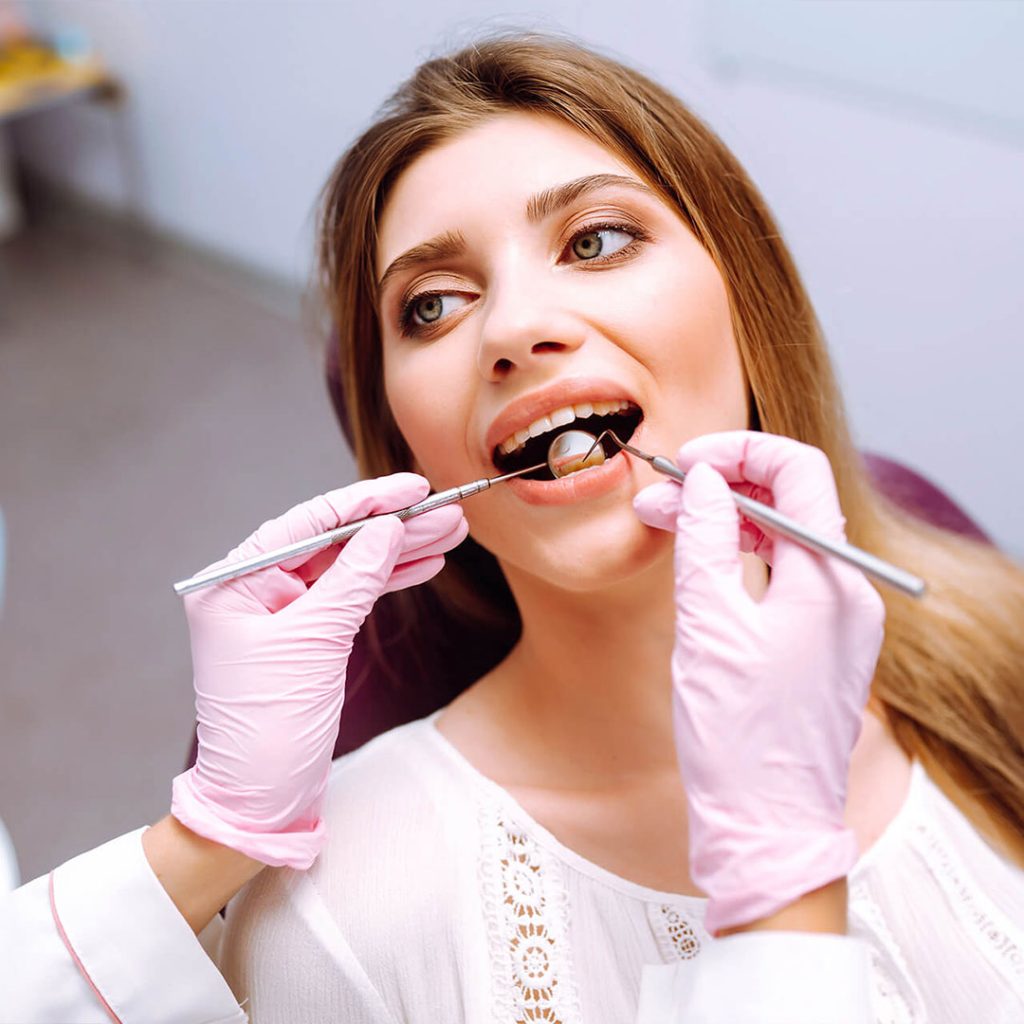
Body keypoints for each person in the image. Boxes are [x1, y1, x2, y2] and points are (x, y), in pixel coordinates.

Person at [4, 33, 1024, 1024]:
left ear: (748, 305)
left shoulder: (996, 640)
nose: (511, 329)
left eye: (596, 239)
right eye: (433, 306)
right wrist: (206, 837)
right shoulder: (338, 916)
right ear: (403, 440)